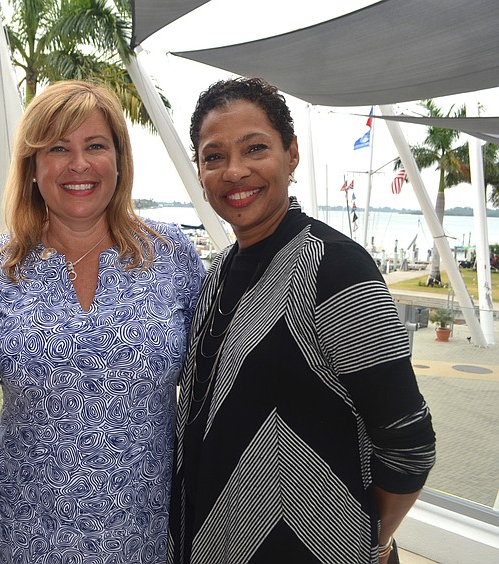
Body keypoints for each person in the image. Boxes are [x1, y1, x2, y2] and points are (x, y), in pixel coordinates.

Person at [168, 77, 437, 564]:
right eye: (214, 156)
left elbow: (409, 442)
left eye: (255, 148)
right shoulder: (218, 275)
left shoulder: (334, 267)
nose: (235, 171)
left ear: (291, 155)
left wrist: (367, 542)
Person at [0, 80, 205, 563]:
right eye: (58, 148)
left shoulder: (172, 255)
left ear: (119, 160)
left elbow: (222, 377)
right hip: (28, 527)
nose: (78, 164)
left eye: (95, 146)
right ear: (33, 168)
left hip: (144, 526)